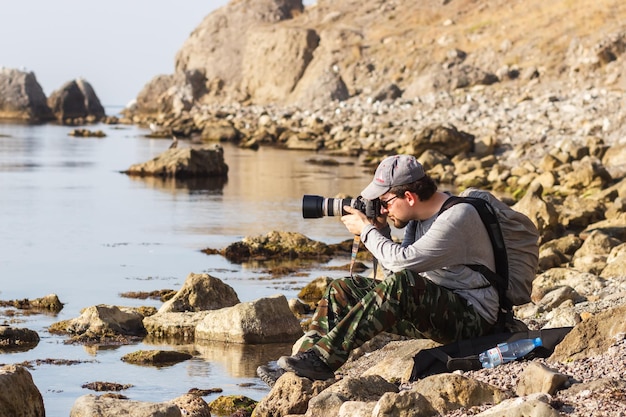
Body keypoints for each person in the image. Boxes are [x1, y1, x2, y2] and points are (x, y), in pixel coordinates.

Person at [258, 154, 499, 385]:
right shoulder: (417, 219)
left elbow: (402, 268)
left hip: (473, 318)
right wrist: (381, 230)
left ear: (409, 197)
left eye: (385, 203)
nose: (382, 210)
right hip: (436, 309)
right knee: (341, 289)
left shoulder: (457, 217)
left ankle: (322, 360)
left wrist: (366, 231)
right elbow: (394, 277)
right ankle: (298, 365)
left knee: (405, 283)